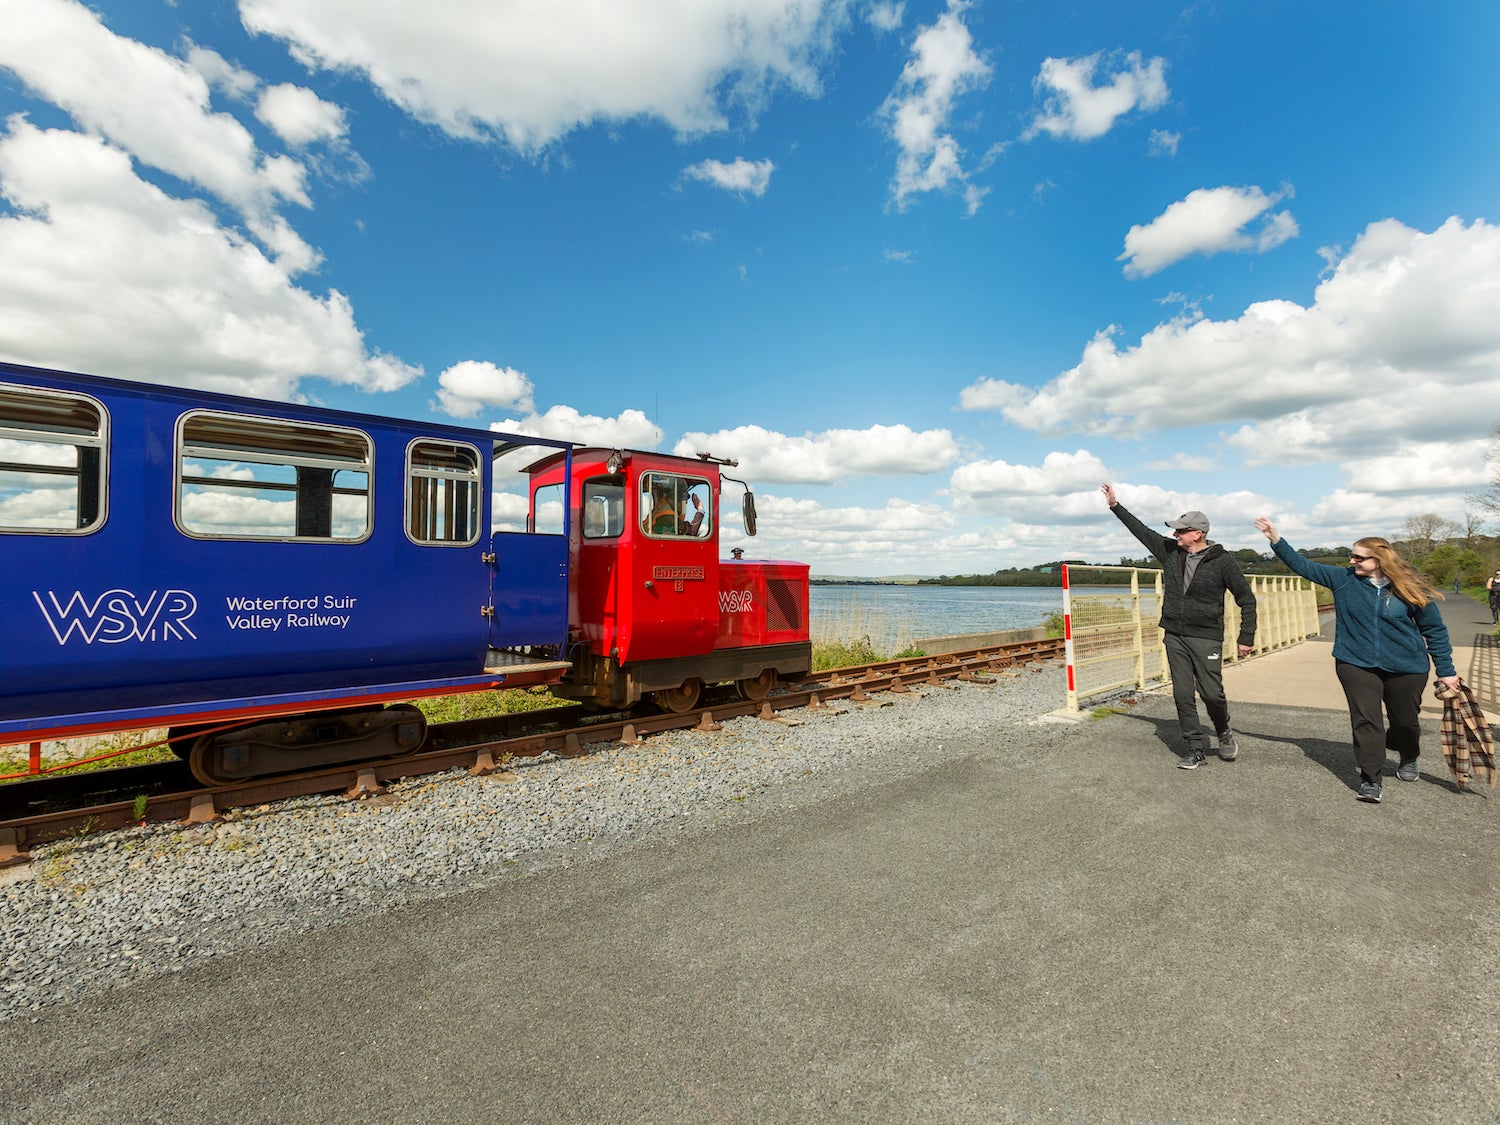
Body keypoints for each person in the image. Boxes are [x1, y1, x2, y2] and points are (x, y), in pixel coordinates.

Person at [1254, 518, 1461, 804]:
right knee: (1366, 720)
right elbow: (1303, 566)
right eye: (1351, 555)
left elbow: (1434, 631)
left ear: (1379, 560)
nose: (1352, 561)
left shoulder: (1410, 588)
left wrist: (1446, 671)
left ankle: (1409, 753)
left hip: (1407, 666)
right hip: (1356, 662)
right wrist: (1275, 539)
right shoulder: (1344, 580)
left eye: (1358, 557)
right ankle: (1371, 779)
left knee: (1405, 722)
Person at [1102, 483, 1257, 769]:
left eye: (1180, 531)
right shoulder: (1170, 552)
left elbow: (1246, 599)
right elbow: (1142, 532)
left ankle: (1223, 731)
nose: (1175, 534)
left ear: (1197, 534)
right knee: (1183, 693)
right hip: (1175, 634)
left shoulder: (1223, 562)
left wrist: (1245, 636)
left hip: (1206, 636)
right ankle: (1195, 748)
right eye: (1175, 531)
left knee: (1211, 693)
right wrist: (1116, 506)